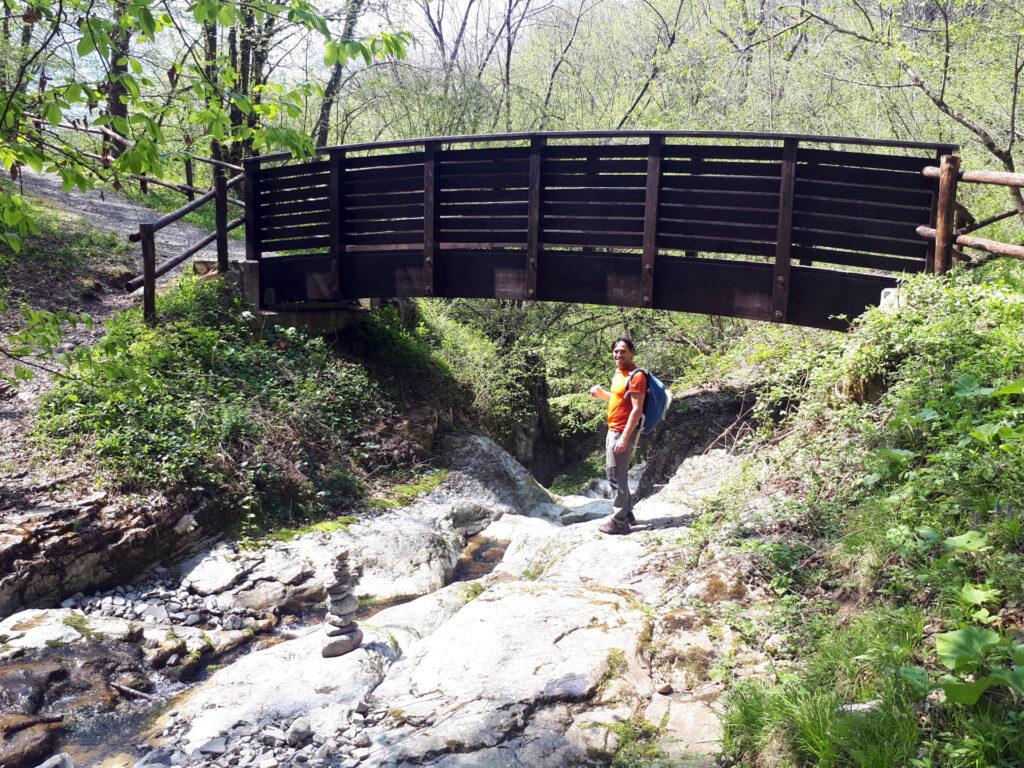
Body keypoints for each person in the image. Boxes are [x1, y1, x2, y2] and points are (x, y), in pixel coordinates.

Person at [589, 336, 646, 535]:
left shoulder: (636, 376)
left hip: (622, 431)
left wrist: (623, 438)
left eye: (623, 351)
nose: (618, 354)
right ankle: (628, 514)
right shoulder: (619, 373)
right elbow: (617, 399)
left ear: (631, 353)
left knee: (615, 475)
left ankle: (619, 521)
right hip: (612, 429)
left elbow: (637, 410)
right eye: (615, 351)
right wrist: (601, 393)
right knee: (615, 473)